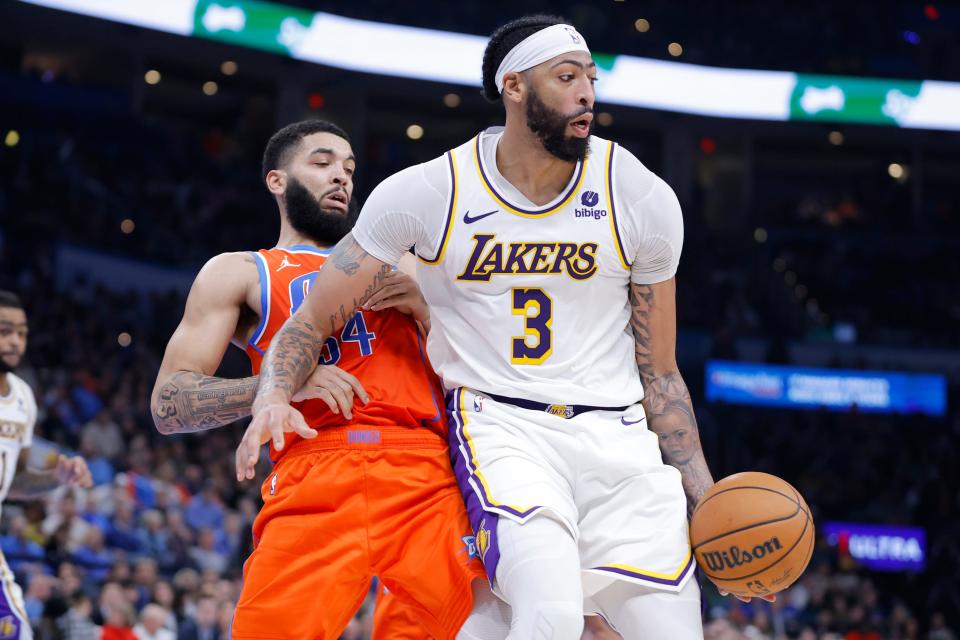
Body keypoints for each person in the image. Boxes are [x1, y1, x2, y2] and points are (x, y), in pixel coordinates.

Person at [245, 15, 778, 640]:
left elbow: (659, 371)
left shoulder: (640, 195)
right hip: (503, 426)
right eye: (567, 76)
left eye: (591, 78)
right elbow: (310, 321)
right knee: (547, 613)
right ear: (515, 87)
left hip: (621, 436)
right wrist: (272, 393)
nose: (587, 93)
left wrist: (706, 494)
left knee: (673, 631)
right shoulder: (428, 193)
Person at [150, 120, 488, 639]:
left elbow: (486, 368)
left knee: (493, 624)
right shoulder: (240, 271)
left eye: (350, 169)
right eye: (323, 162)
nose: (341, 178)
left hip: (423, 471)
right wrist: (273, 388)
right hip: (315, 466)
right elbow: (168, 402)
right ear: (277, 180)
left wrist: (427, 312)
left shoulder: (409, 265)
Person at [0, 290, 93, 640]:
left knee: (17, 631)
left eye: (21, 333)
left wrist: (57, 476)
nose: (14, 341)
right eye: (4, 330)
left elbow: (15, 483)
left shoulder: (22, 396)